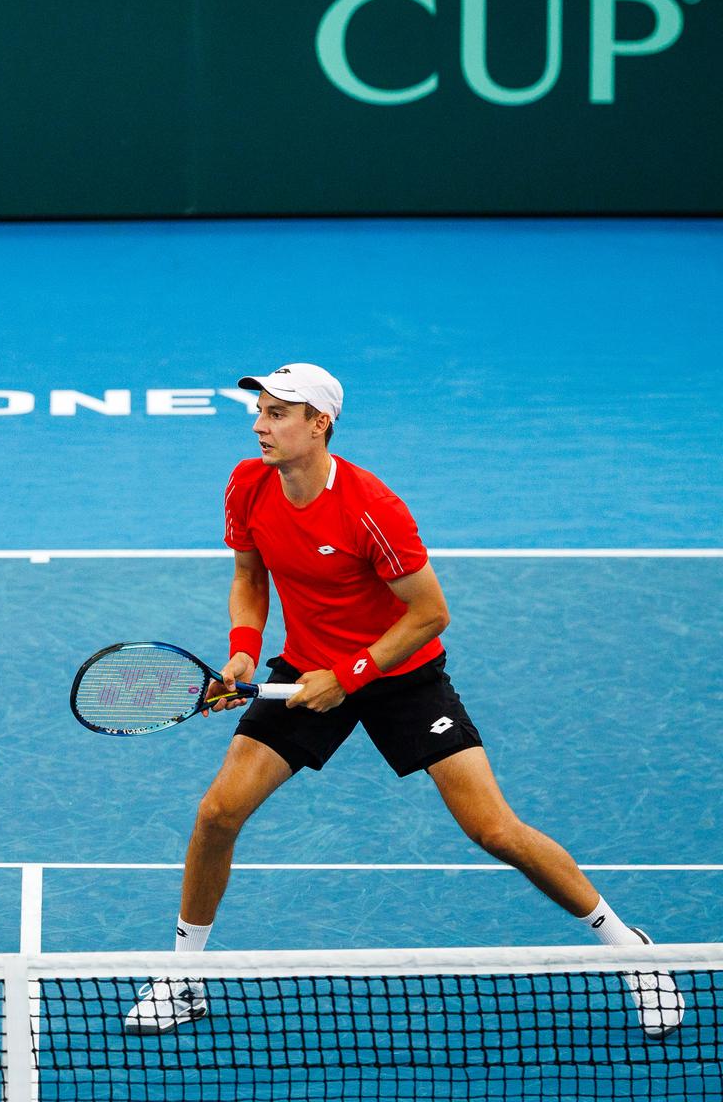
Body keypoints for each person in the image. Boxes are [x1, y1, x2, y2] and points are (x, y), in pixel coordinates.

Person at [123, 364, 683, 1038]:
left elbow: (430, 612)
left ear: (318, 424)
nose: (259, 425)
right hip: (306, 668)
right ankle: (184, 979)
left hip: (399, 673)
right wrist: (244, 649)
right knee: (218, 812)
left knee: (494, 830)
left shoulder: (370, 508)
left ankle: (635, 953)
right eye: (261, 410)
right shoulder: (249, 485)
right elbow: (249, 575)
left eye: (276, 414)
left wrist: (351, 674)